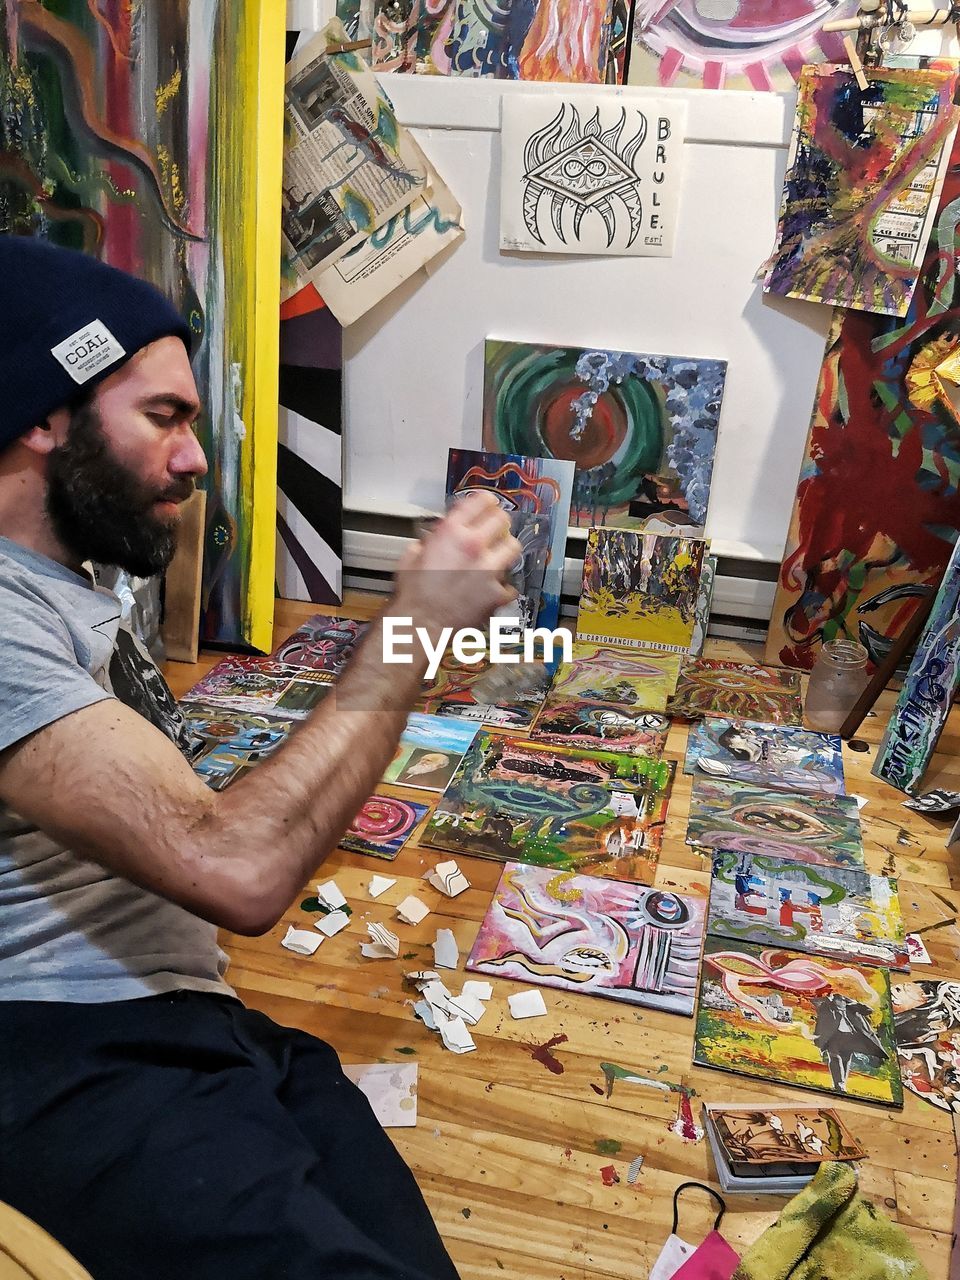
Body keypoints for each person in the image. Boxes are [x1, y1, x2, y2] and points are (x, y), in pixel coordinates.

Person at [0, 237, 520, 1280]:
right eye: (164, 417)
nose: (196, 458)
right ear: (44, 418)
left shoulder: (64, 592)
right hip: (62, 1045)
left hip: (192, 1022)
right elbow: (234, 865)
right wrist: (411, 633)